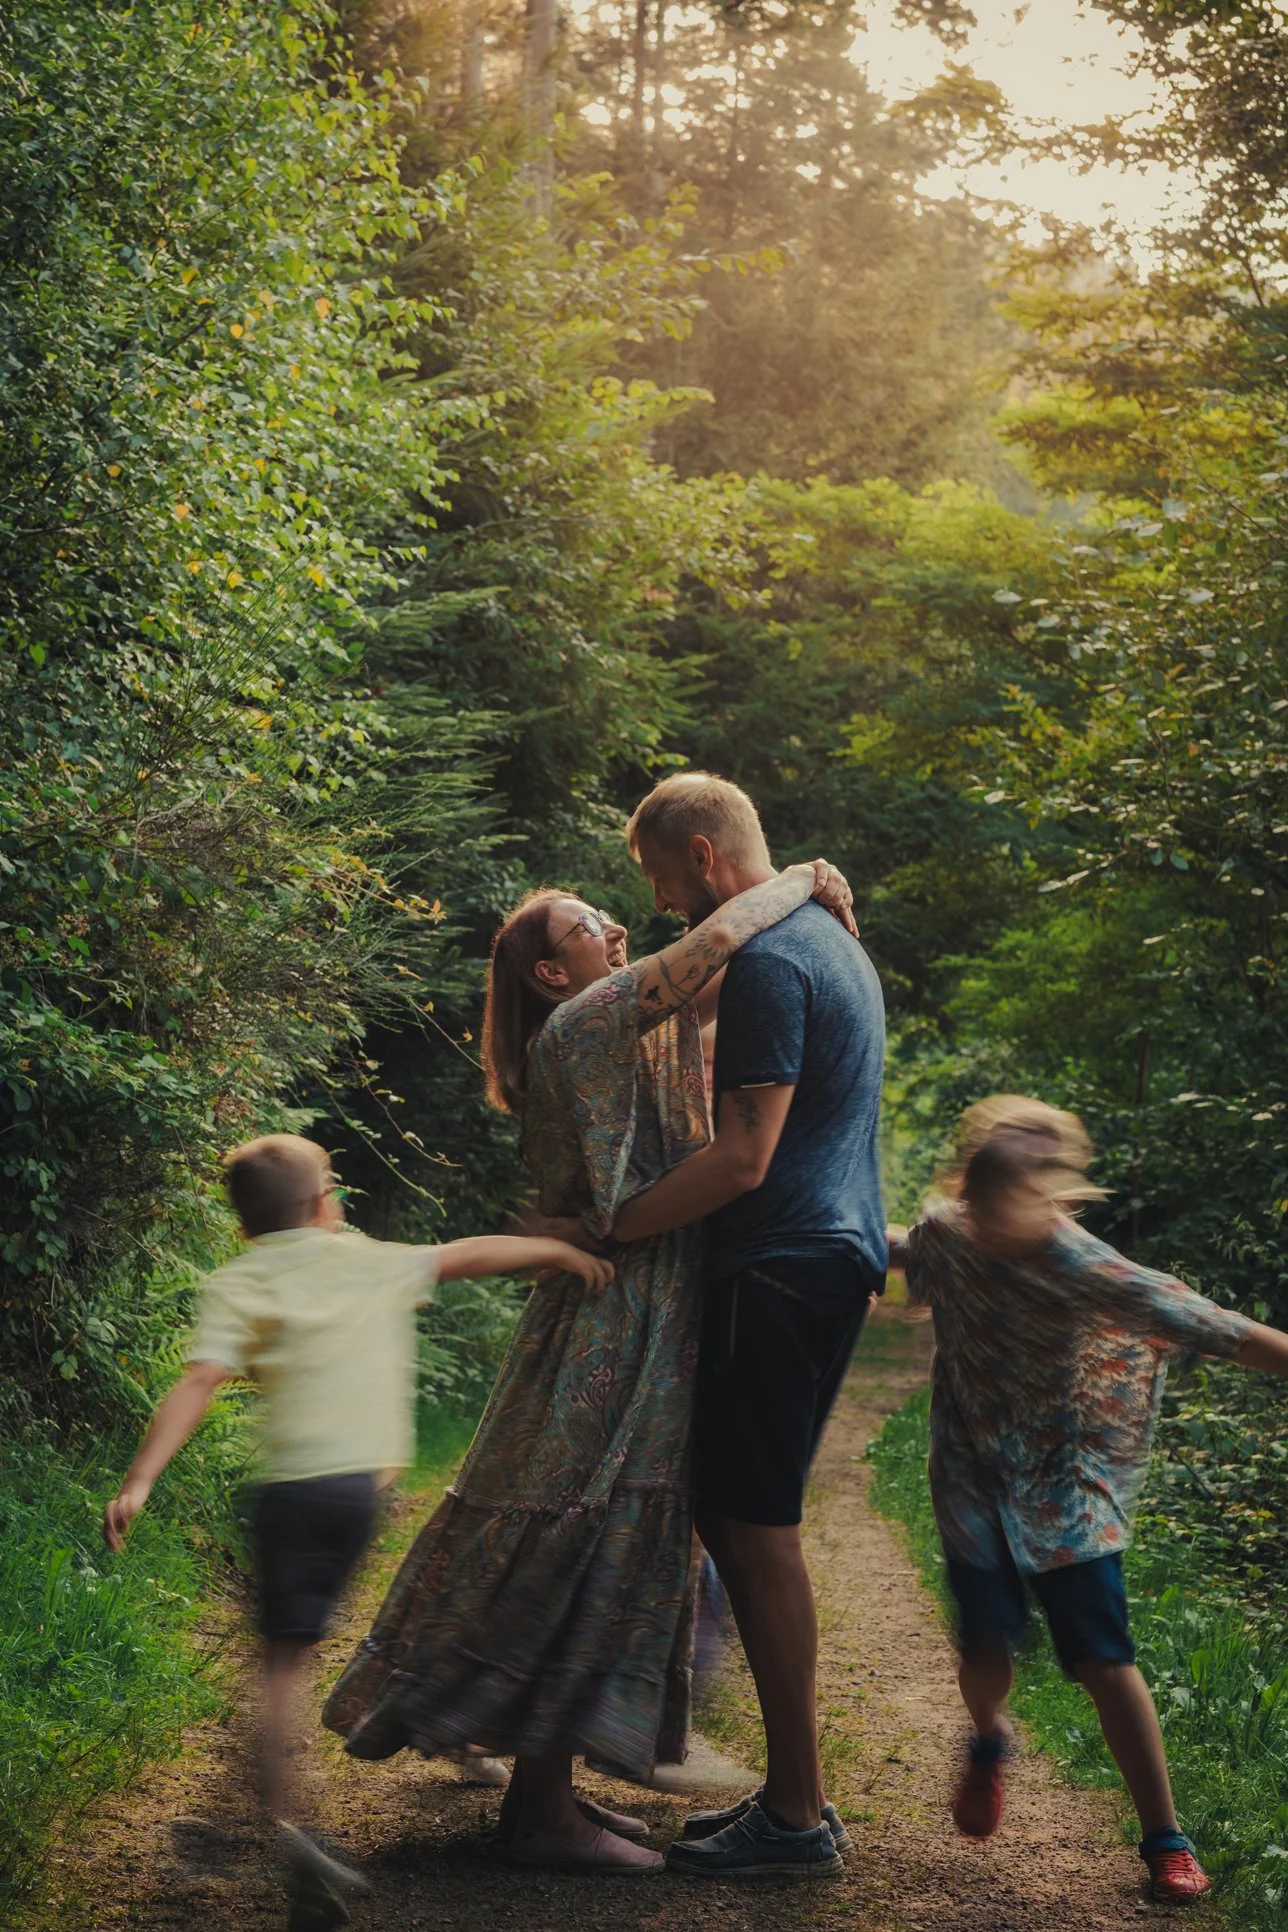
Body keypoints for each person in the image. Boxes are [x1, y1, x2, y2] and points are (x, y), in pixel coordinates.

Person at [321, 855, 856, 1874]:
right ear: (549, 978)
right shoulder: (583, 1025)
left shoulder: (618, 1031)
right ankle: (540, 1811)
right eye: (582, 925)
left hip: (640, 1305)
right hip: (614, 1317)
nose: (610, 926)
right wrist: (802, 877)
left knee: (606, 1524)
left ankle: (546, 1794)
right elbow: (712, 947)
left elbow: (723, 996)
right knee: (587, 1519)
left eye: (605, 914)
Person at [102, 1132, 611, 1932]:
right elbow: (467, 1254)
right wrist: (559, 1248)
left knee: (278, 1670)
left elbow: (200, 1377)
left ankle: (286, 1830)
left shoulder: (239, 1277)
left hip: (290, 1493)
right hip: (361, 1493)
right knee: (371, 1619)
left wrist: (139, 1481)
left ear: (245, 1225)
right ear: (323, 1204)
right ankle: (436, 1739)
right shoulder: (364, 1259)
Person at [892, 1096, 1288, 1906]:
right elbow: (894, 1251)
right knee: (986, 1651)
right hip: (969, 1483)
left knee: (1106, 1664)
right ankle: (988, 1740)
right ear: (973, 1194)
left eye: (1027, 1204)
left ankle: (1166, 1841)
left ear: (1050, 1198)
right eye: (992, 1204)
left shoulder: (1085, 1265)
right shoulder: (947, 1233)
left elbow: (1221, 1327)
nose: (1007, 1223)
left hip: (1064, 1494)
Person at [611, 771, 886, 1881]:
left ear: (705, 857)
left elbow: (743, 1156)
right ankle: (789, 1801)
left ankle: (797, 1816)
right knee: (741, 1522)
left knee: (753, 1527)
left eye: (661, 877)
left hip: (776, 1268)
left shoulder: (774, 960)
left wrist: (613, 1225)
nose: (665, 900)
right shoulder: (829, 938)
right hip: (824, 1260)